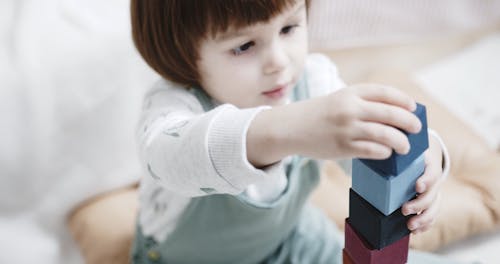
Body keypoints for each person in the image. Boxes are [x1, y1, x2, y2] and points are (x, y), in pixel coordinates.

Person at [129, 0, 454, 263]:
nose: (279, 62)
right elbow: (171, 158)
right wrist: (289, 128)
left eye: (288, 28)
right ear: (180, 52)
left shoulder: (312, 81)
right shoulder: (172, 105)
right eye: (243, 46)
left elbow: (366, 148)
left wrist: (420, 161)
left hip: (290, 239)